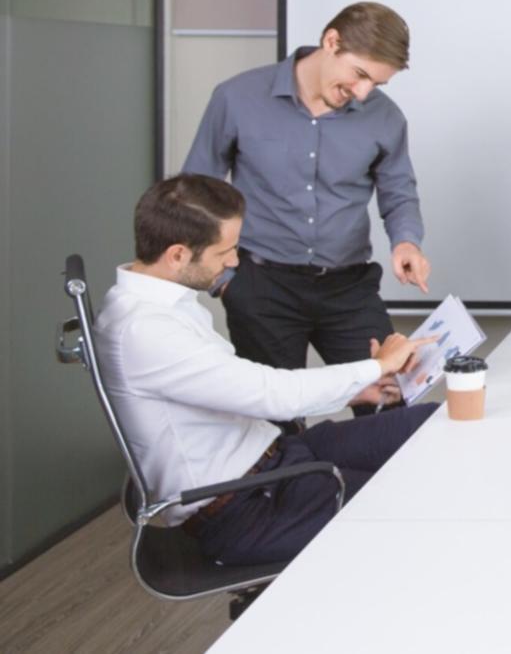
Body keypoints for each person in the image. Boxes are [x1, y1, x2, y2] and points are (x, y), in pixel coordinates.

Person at [93, 174, 437, 565]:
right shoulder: (145, 330)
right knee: (417, 508)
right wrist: (375, 367)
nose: (235, 261)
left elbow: (235, 389)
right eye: (226, 251)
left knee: (433, 423)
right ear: (177, 255)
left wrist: (361, 390)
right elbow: (270, 392)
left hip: (276, 459)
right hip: (249, 507)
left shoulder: (162, 304)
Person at [183, 2, 431, 404]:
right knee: (275, 425)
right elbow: (198, 191)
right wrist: (225, 283)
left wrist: (406, 241)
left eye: (377, 85)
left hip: (349, 289)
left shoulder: (385, 118)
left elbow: (399, 190)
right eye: (360, 74)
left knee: (393, 400)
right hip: (261, 287)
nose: (363, 93)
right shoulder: (237, 97)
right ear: (331, 41)